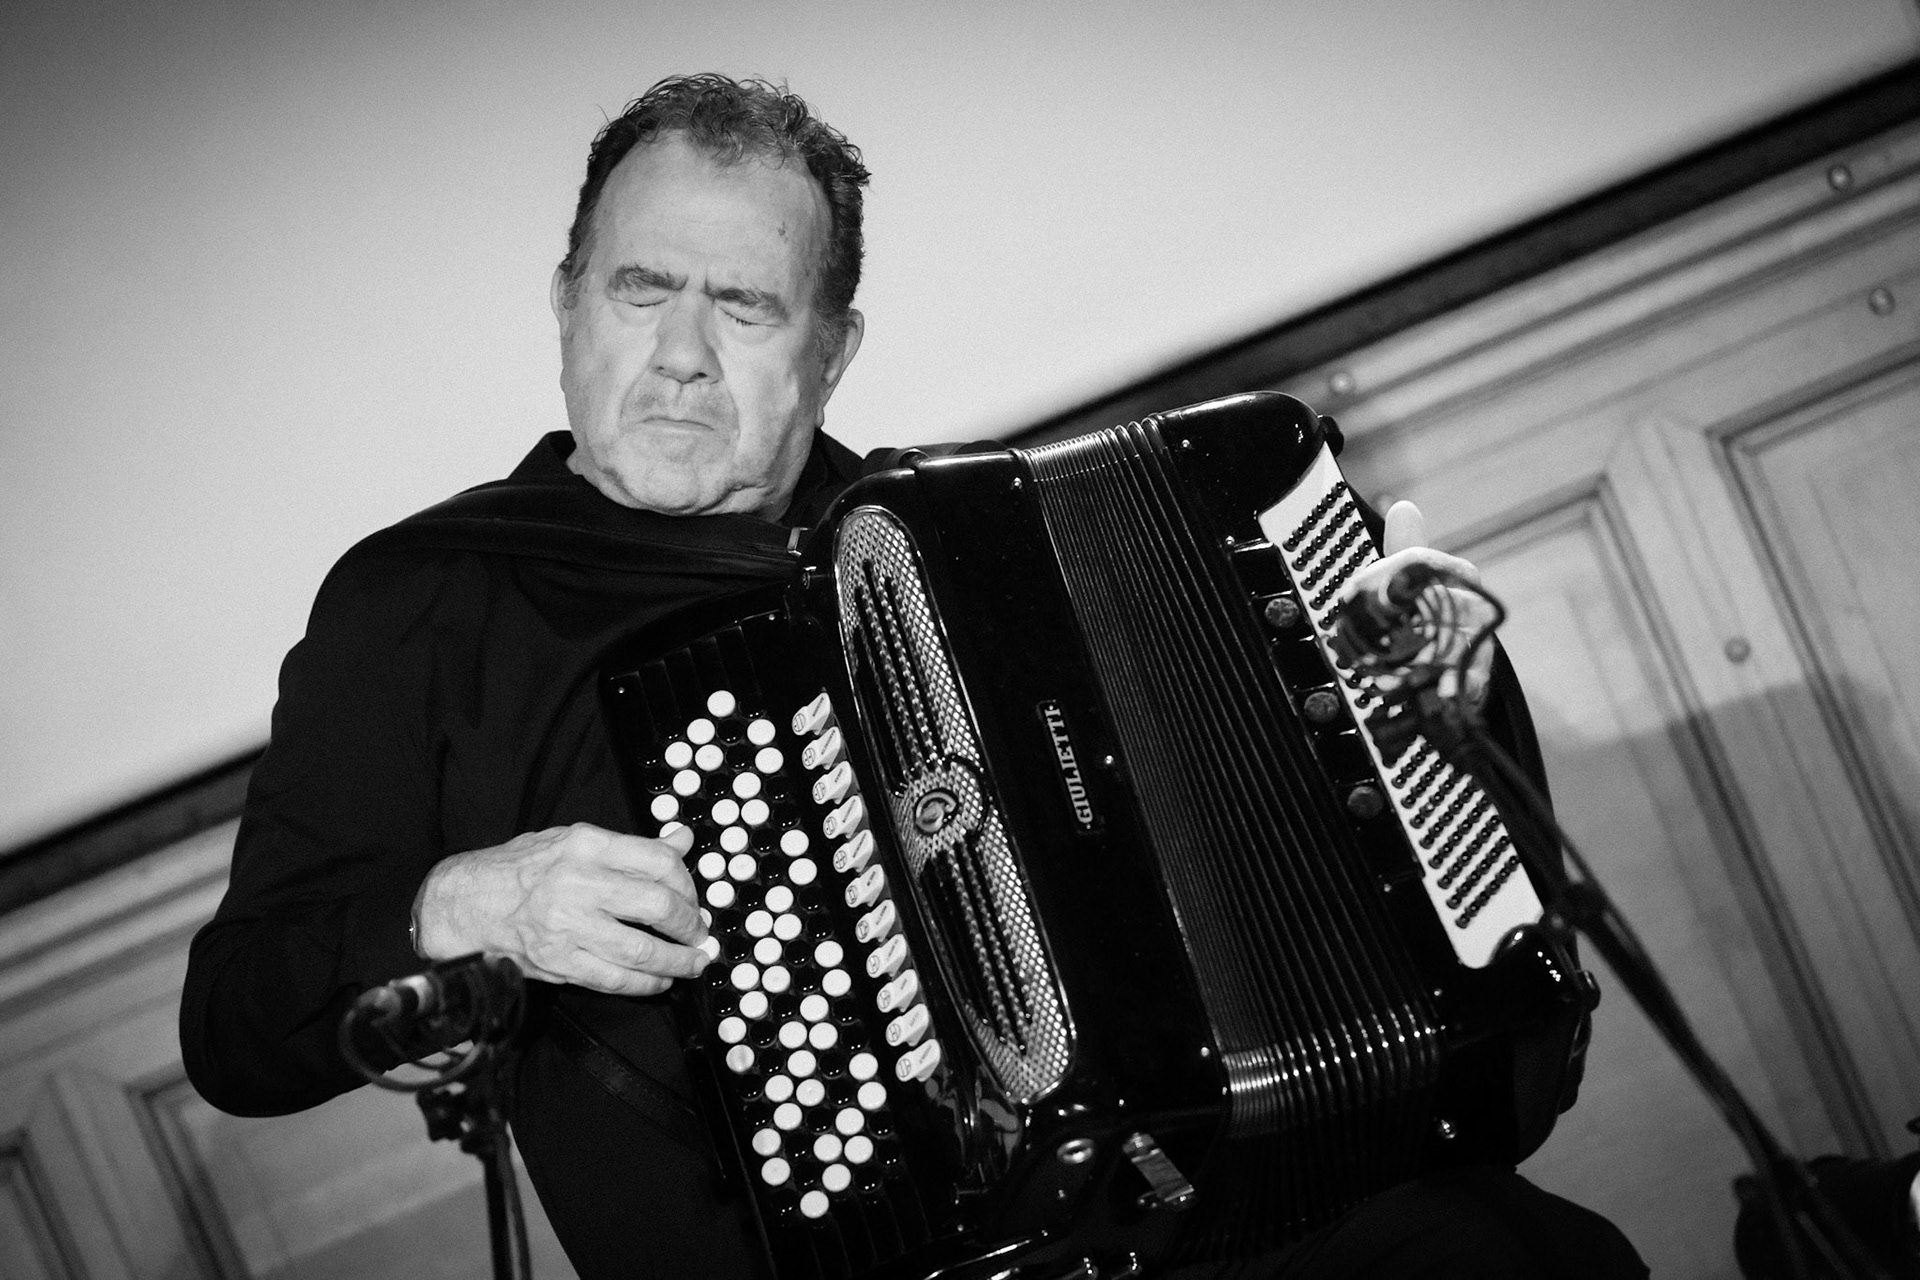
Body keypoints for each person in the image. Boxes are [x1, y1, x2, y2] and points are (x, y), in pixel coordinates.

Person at [180, 73, 1646, 1279]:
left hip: (1194, 1216)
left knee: (1504, 1257)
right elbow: (235, 1026)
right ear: (566, 306)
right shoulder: (424, 605)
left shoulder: (960, 554)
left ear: (831, 352)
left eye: (744, 307)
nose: (681, 355)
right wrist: (465, 904)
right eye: (639, 291)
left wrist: (1429, 714)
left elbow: (1367, 894)